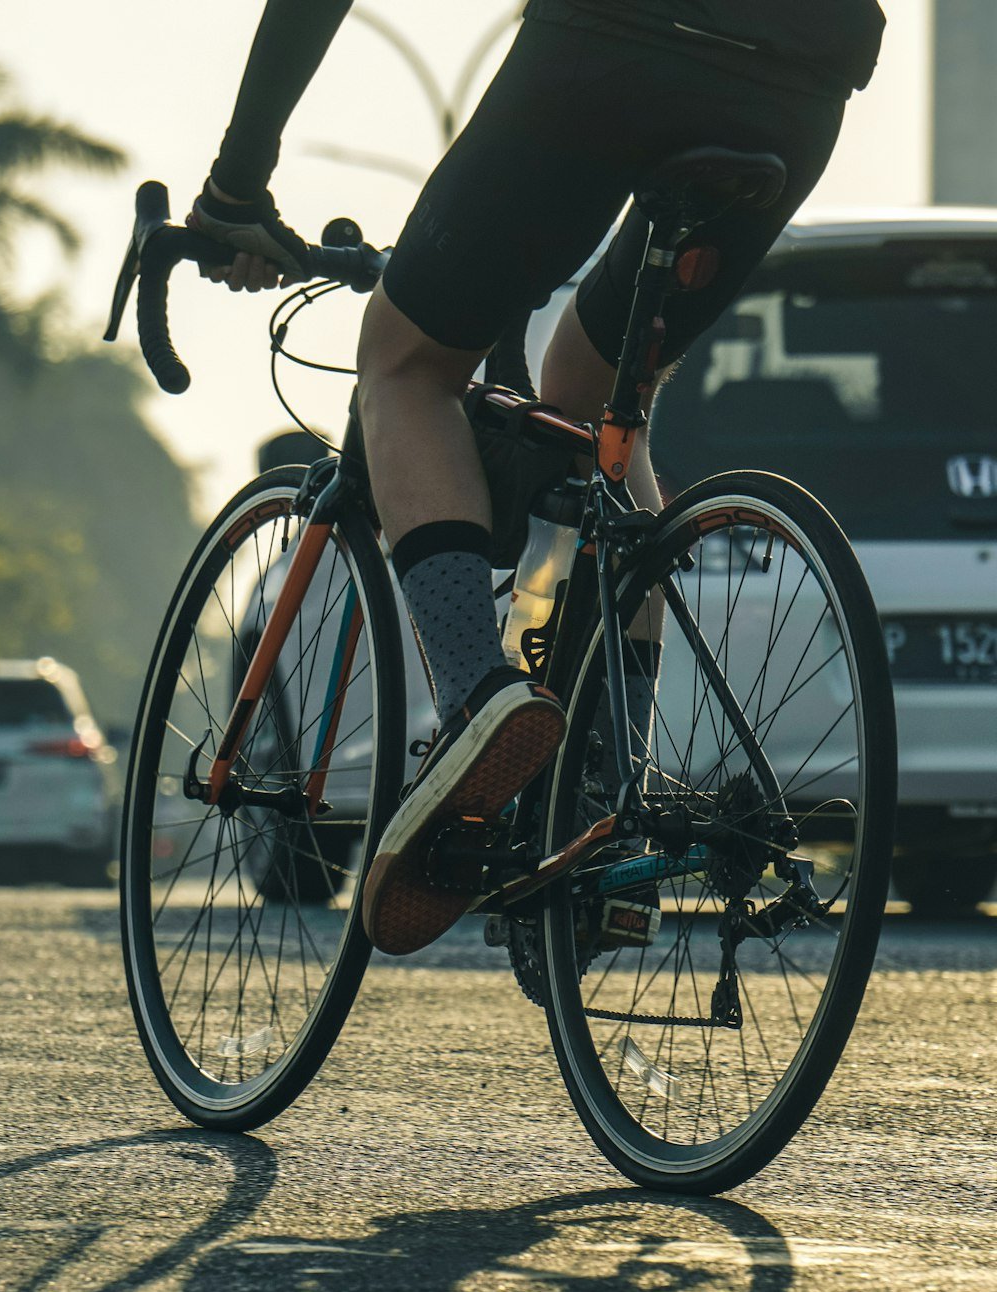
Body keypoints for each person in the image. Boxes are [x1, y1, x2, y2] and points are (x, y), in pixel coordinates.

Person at [190, 0, 885, 956]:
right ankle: (601, 799)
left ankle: (480, 701)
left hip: (615, 47)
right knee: (600, 406)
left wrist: (237, 185)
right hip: (801, 85)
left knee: (407, 364)